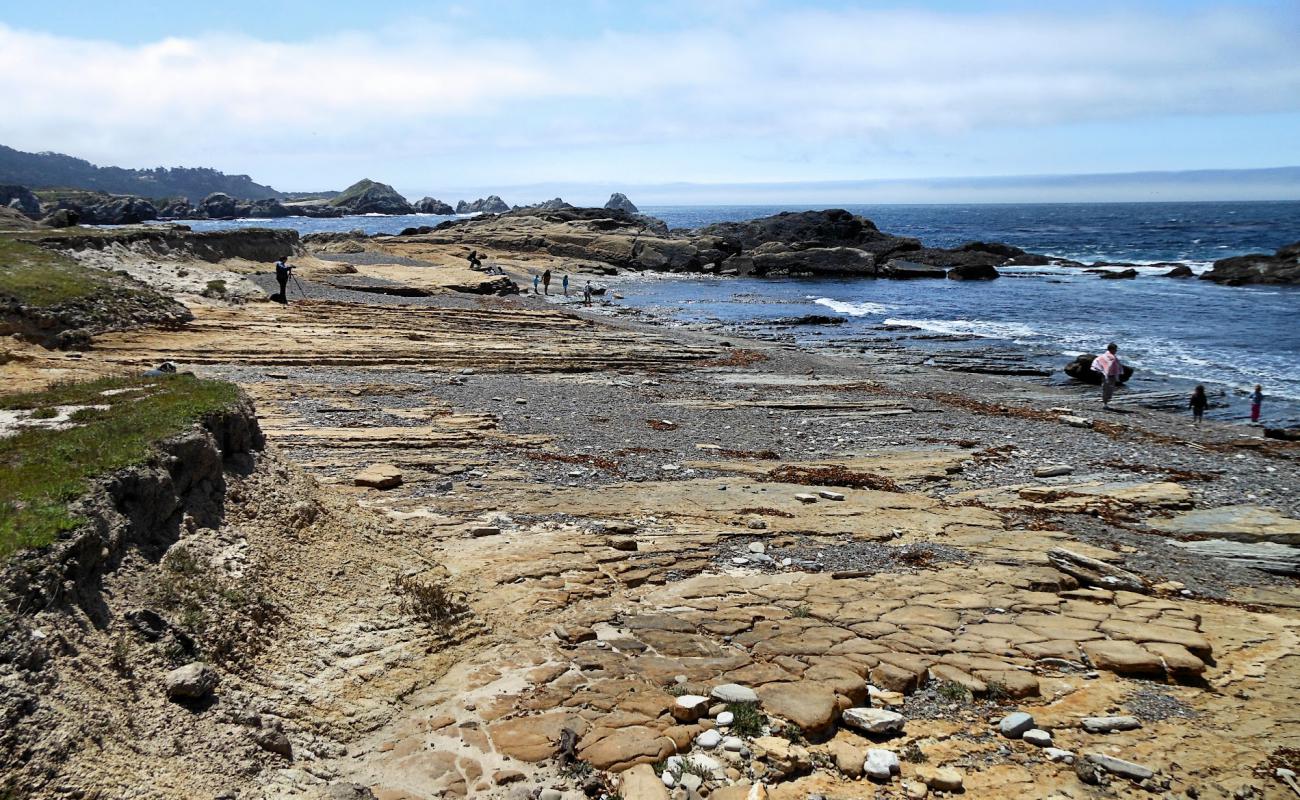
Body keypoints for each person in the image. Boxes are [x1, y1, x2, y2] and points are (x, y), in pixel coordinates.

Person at [1091, 342, 1123, 409]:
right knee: (1108, 389)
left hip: (1105, 374)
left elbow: (1096, 361)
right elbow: (1111, 365)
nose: (1116, 351)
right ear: (1112, 349)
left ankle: (1105, 403)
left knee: (1106, 389)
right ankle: (1105, 404)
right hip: (1110, 375)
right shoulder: (1112, 357)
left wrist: (1100, 370)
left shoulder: (1103, 356)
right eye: (1115, 349)